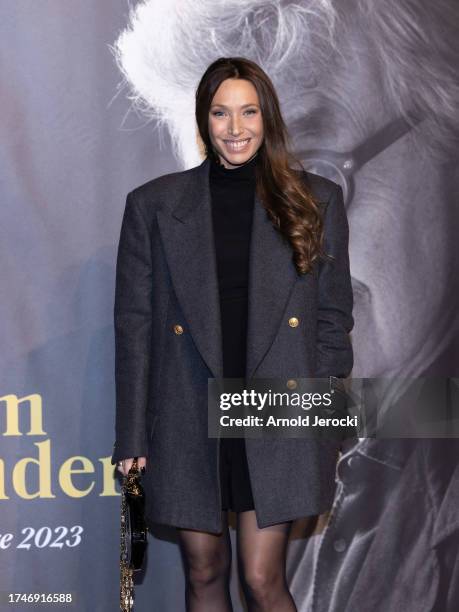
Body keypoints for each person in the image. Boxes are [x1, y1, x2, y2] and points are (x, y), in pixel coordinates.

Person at [111, 56, 353, 611]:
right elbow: (135, 329)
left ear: (267, 118)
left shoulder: (313, 201)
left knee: (262, 579)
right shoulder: (154, 205)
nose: (235, 128)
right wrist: (132, 438)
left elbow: (332, 320)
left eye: (248, 112)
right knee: (203, 572)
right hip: (189, 411)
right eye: (221, 113)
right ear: (204, 120)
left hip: (275, 411)